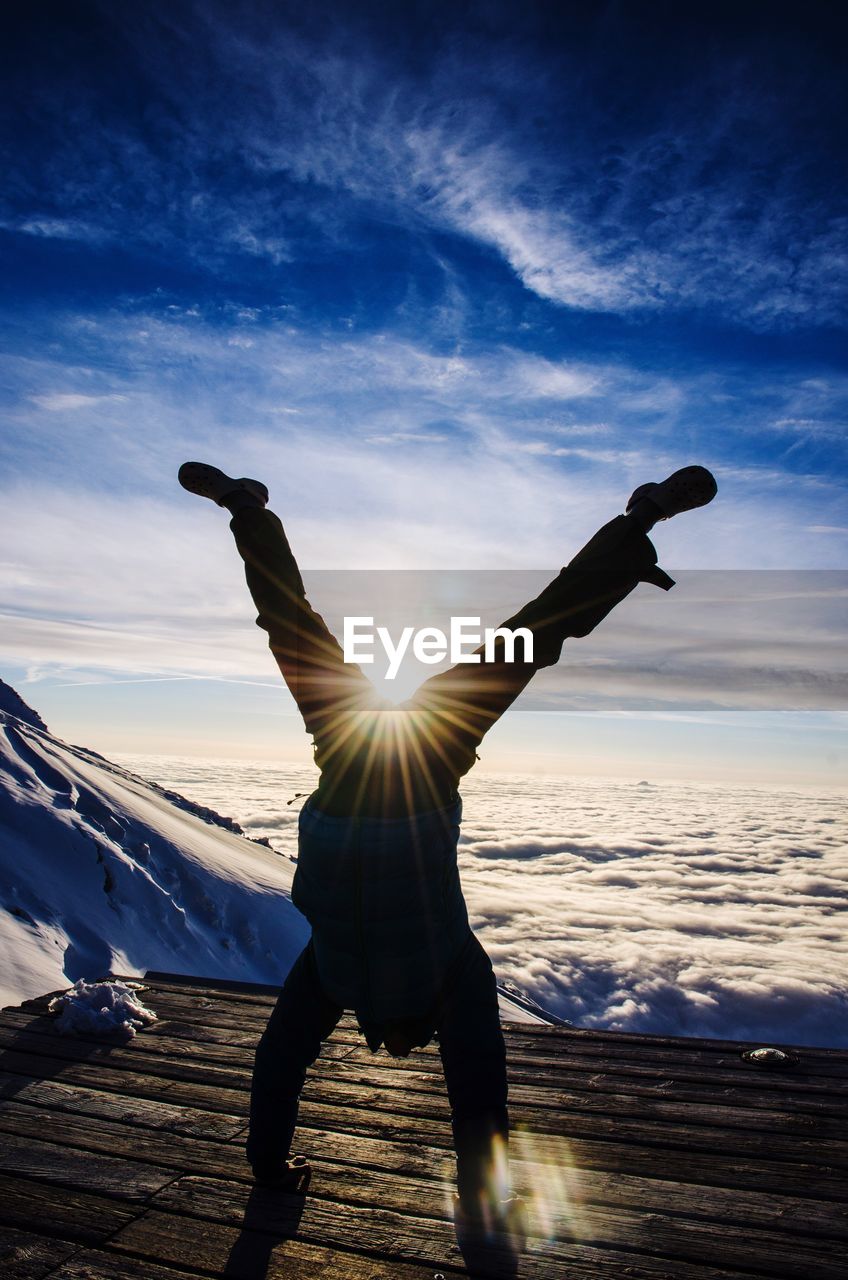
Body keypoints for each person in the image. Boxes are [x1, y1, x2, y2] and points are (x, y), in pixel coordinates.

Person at [178, 459, 716, 1257]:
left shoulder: (441, 973)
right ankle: (247, 509)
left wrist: (479, 1203)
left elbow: (477, 1104)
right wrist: (267, 1165)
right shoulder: (341, 974)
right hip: (353, 750)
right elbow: (282, 1064)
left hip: (423, 752)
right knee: (296, 629)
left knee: (527, 639)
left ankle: (635, 524)